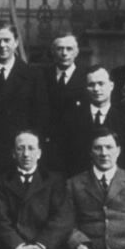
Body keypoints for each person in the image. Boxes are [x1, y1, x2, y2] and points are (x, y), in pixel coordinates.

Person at [0, 21, 48, 175]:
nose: (2, 45)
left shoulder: (33, 76)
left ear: (16, 42)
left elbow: (39, 118)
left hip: (19, 153)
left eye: (7, 40)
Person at [66, 65, 125, 176]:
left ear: (111, 85)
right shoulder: (72, 120)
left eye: (101, 83)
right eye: (91, 85)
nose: (96, 89)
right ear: (86, 88)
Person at [43, 33, 85, 173]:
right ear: (53, 51)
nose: (64, 53)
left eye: (69, 49)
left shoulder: (85, 77)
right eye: (60, 49)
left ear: (77, 52)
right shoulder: (42, 76)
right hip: (49, 146)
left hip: (77, 146)